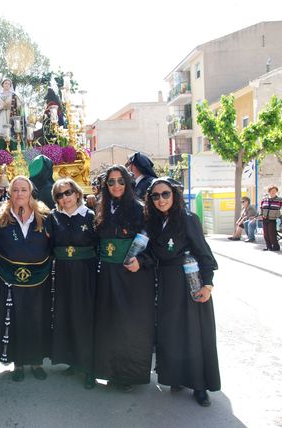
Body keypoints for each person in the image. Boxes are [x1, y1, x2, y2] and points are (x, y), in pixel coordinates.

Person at [144, 177, 220, 407]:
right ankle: (176, 377)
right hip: (166, 285)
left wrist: (207, 284)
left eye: (165, 194)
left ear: (174, 195)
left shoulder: (188, 219)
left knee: (193, 335)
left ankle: (199, 386)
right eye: (155, 196)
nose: (161, 200)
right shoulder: (154, 222)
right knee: (171, 334)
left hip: (189, 283)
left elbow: (203, 252)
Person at [93, 165, 155, 392]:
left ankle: (128, 375)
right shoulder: (102, 208)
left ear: (128, 183)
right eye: (111, 182)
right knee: (109, 323)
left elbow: (154, 243)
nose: (116, 186)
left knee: (129, 326)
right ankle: (109, 371)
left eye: (120, 181)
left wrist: (143, 261)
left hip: (132, 276)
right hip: (107, 274)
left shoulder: (141, 209)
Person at [0, 176, 51, 382]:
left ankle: (36, 362)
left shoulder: (45, 215)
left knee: (37, 318)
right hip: (8, 278)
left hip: (39, 278)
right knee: (15, 320)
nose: (19, 194)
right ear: (10, 192)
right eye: (15, 190)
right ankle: (18, 363)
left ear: (30, 191)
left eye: (23, 190)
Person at [47, 178, 98, 389]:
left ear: (77, 193)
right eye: (59, 195)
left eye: (67, 193)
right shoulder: (53, 217)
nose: (64, 198)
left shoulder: (91, 216)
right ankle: (73, 361)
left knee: (84, 318)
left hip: (84, 273)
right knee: (65, 315)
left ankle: (89, 367)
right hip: (61, 272)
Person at [0, 78, 24, 150]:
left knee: (11, 134)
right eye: (5, 83)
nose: (7, 85)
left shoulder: (14, 96)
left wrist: (21, 104)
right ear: (2, 85)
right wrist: (1, 106)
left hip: (10, 118)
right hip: (0, 117)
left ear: (10, 86)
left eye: (9, 84)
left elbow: (19, 106)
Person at [258, 185, 282, 252]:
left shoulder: (280, 200)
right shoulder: (264, 199)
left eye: (275, 191)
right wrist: (261, 214)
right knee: (266, 234)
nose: (273, 192)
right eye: (272, 191)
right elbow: (261, 208)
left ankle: (276, 247)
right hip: (265, 219)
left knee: (272, 233)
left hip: (273, 219)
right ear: (269, 191)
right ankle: (268, 247)